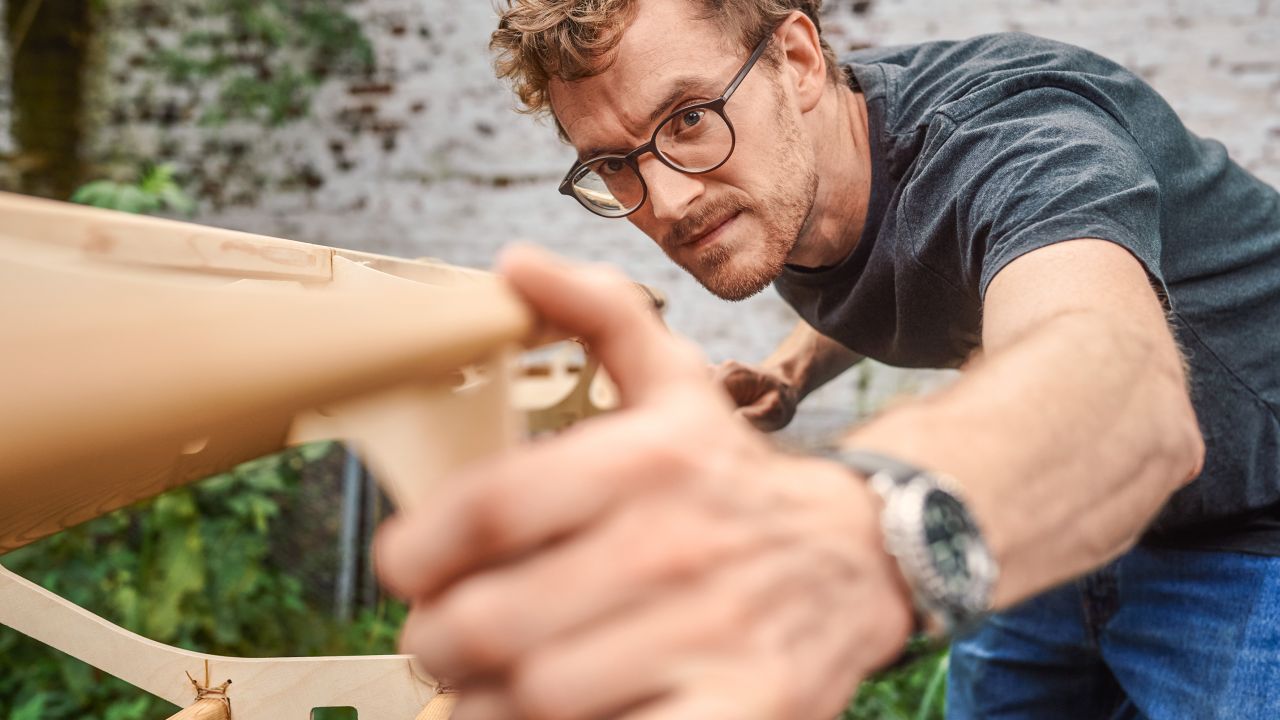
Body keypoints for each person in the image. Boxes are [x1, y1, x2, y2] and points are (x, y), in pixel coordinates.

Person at [374, 0, 1280, 717]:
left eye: (688, 117)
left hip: (1249, 527)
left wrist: (850, 535)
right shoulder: (785, 186)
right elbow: (911, 267)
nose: (668, 202)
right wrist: (788, 374)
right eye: (612, 163)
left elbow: (1121, 388)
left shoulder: (1019, 140)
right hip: (1048, 529)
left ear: (798, 59)